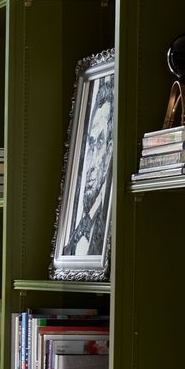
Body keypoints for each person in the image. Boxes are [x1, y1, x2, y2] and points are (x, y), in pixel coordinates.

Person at [63, 81, 114, 260]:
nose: (91, 160)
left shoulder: (107, 224)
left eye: (99, 143)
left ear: (110, 150)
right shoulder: (70, 239)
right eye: (90, 143)